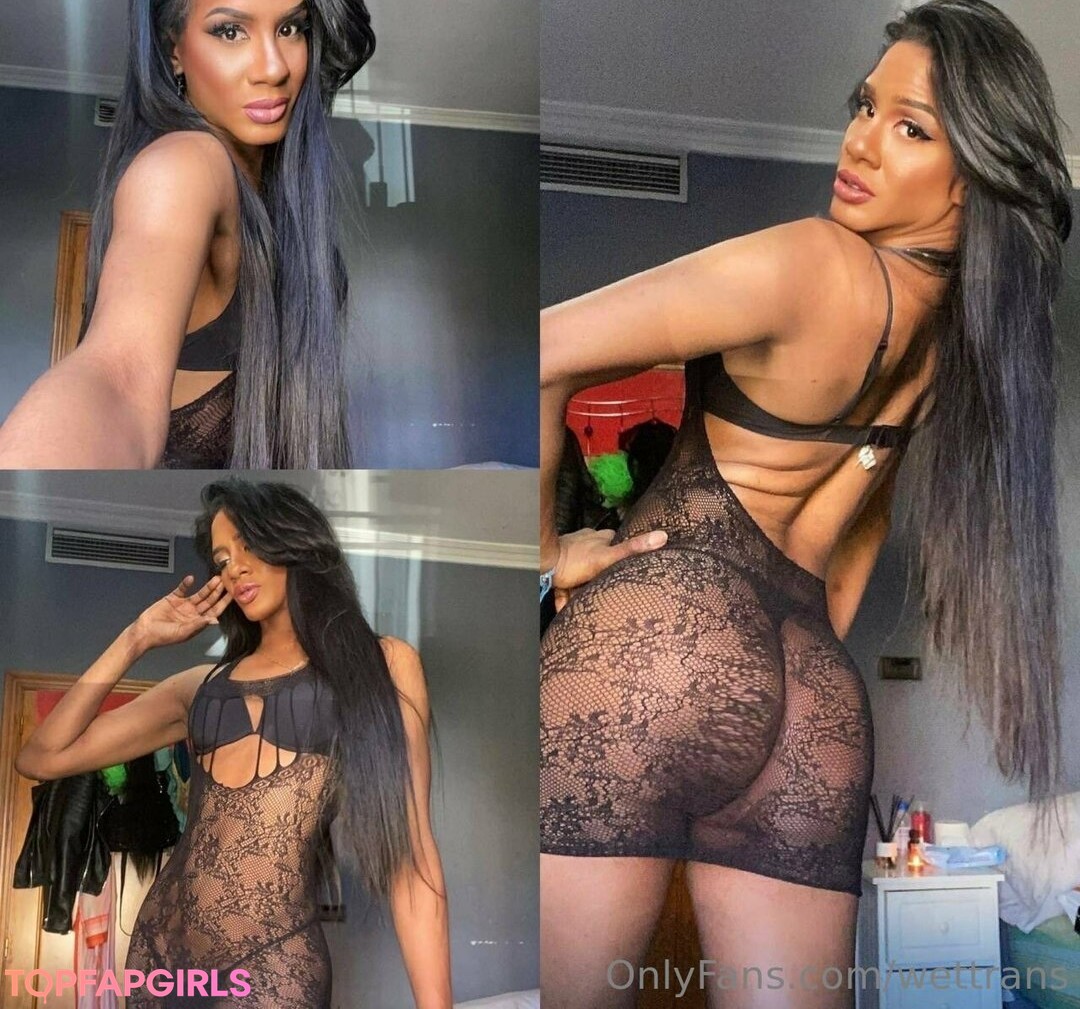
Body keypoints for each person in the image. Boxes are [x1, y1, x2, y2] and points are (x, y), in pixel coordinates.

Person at [538, 2, 1070, 1006]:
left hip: (664, 631)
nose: (861, 141)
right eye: (865, 107)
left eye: (911, 128)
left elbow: (544, 348)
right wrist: (780, 664)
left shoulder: (810, 262)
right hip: (815, 689)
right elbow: (859, 531)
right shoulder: (953, 342)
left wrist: (547, 552)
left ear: (973, 178)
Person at [16, 479, 451, 1008]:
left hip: (271, 965)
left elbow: (412, 859)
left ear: (293, 539)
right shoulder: (199, 688)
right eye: (222, 560)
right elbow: (40, 757)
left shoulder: (382, 665)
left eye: (248, 545)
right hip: (158, 960)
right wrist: (137, 637)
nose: (235, 568)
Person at [0, 0, 372, 468]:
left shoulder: (286, 213)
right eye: (230, 32)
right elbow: (120, 374)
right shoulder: (183, 166)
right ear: (174, 50)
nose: (273, 68)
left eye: (291, 28)